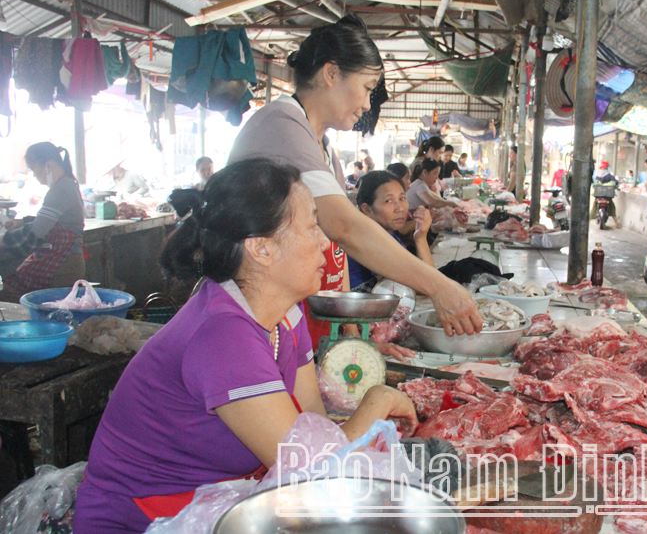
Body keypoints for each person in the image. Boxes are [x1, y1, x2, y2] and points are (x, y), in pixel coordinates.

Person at [73, 159, 419, 534]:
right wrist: (377, 401)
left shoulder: (285, 312)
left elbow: (314, 428)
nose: (326, 241)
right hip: (146, 521)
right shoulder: (223, 337)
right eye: (311, 227)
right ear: (262, 249)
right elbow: (314, 471)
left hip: (217, 504)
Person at [226, 15, 481, 336]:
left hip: (296, 313)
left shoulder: (320, 143)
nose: (366, 104)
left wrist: (351, 331)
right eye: (366, 88)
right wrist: (439, 286)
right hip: (252, 314)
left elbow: (336, 247)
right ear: (331, 73)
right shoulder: (281, 124)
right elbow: (345, 227)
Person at [0, 143, 85, 301]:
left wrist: (3, 241)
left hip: (63, 264)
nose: (35, 176)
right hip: (66, 260)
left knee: (11, 295)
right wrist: (22, 222)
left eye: (34, 170)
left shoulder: (61, 188)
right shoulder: (66, 184)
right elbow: (54, 222)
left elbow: (35, 233)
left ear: (48, 165)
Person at [350, 171, 433, 290]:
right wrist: (421, 239)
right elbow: (426, 285)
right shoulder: (366, 241)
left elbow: (426, 279)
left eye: (402, 198)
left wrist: (420, 237)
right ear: (367, 209)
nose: (399, 208)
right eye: (388, 201)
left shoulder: (388, 236)